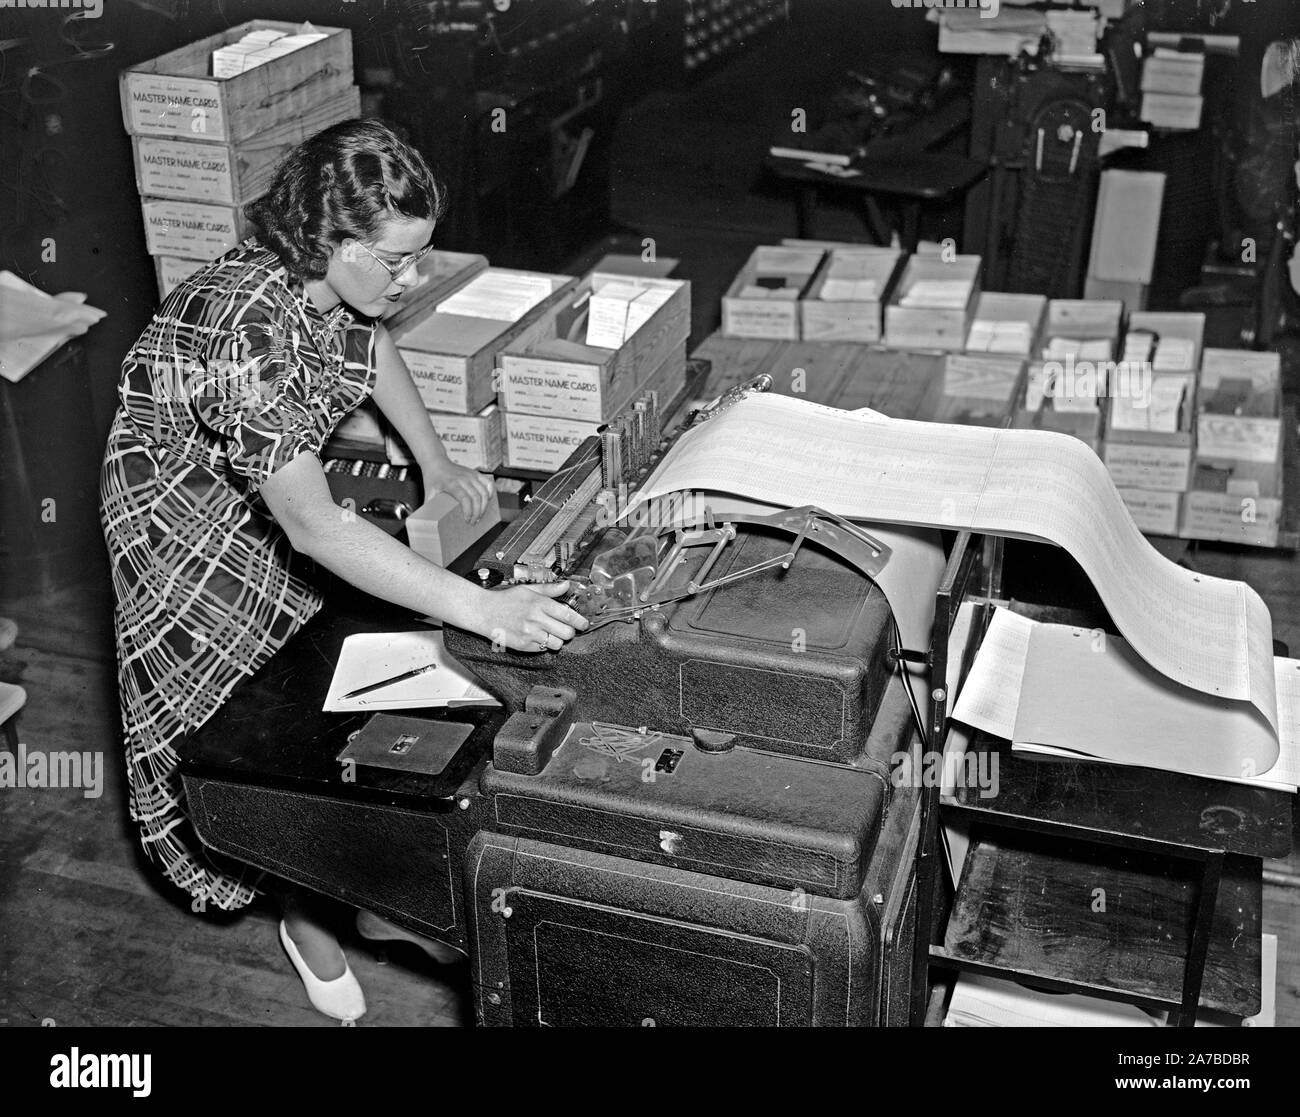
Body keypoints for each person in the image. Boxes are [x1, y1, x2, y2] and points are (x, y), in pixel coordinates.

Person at [99, 118, 587, 1022]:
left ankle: (356, 880)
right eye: (395, 262)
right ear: (327, 239)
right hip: (180, 518)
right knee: (242, 726)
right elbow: (318, 526)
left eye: (419, 258)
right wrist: (486, 609)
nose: (410, 282)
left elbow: (374, 347)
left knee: (320, 684)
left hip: (268, 494)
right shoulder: (248, 327)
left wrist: (436, 461)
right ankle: (307, 916)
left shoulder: (334, 287)